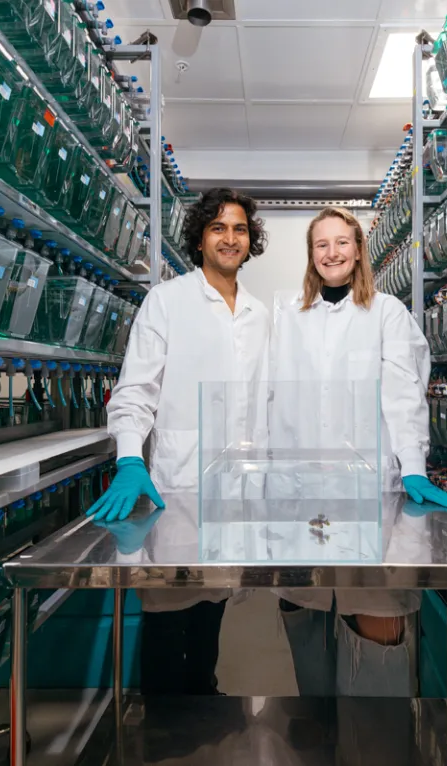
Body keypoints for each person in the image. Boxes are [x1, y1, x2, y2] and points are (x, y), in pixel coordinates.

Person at [269, 206, 447, 697]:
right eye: (321, 244)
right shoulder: (288, 315)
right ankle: (316, 725)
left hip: (370, 492)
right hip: (301, 491)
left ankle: (372, 735)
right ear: (311, 256)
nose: (332, 252)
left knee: (376, 611)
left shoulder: (387, 314)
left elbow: (403, 395)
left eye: (341, 242)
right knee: (303, 605)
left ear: (358, 250)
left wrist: (414, 469)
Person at [90, 187, 270, 696]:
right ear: (199, 240)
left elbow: (267, 403)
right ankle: (164, 728)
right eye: (218, 228)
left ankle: (203, 707)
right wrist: (129, 458)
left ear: (250, 240)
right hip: (177, 485)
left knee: (213, 610)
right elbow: (134, 393)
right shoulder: (166, 302)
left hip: (236, 493)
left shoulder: (261, 315)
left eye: (239, 229)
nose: (229, 239)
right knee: (168, 614)